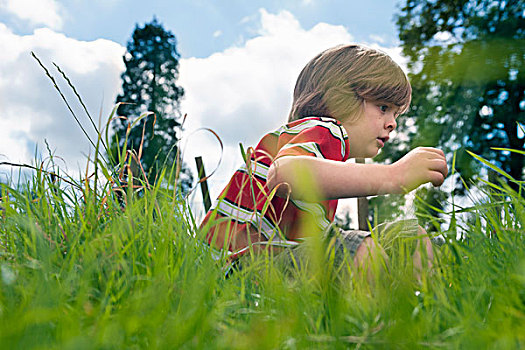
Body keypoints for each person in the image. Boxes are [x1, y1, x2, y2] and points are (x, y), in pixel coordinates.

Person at [199, 44, 448, 274]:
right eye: (383, 107)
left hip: (267, 265)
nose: (392, 123)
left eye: (395, 113)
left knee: (409, 236)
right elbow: (285, 175)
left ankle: (417, 309)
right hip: (237, 271)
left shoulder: (314, 146)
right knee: (358, 251)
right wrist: (395, 176)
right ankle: (388, 318)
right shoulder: (326, 130)